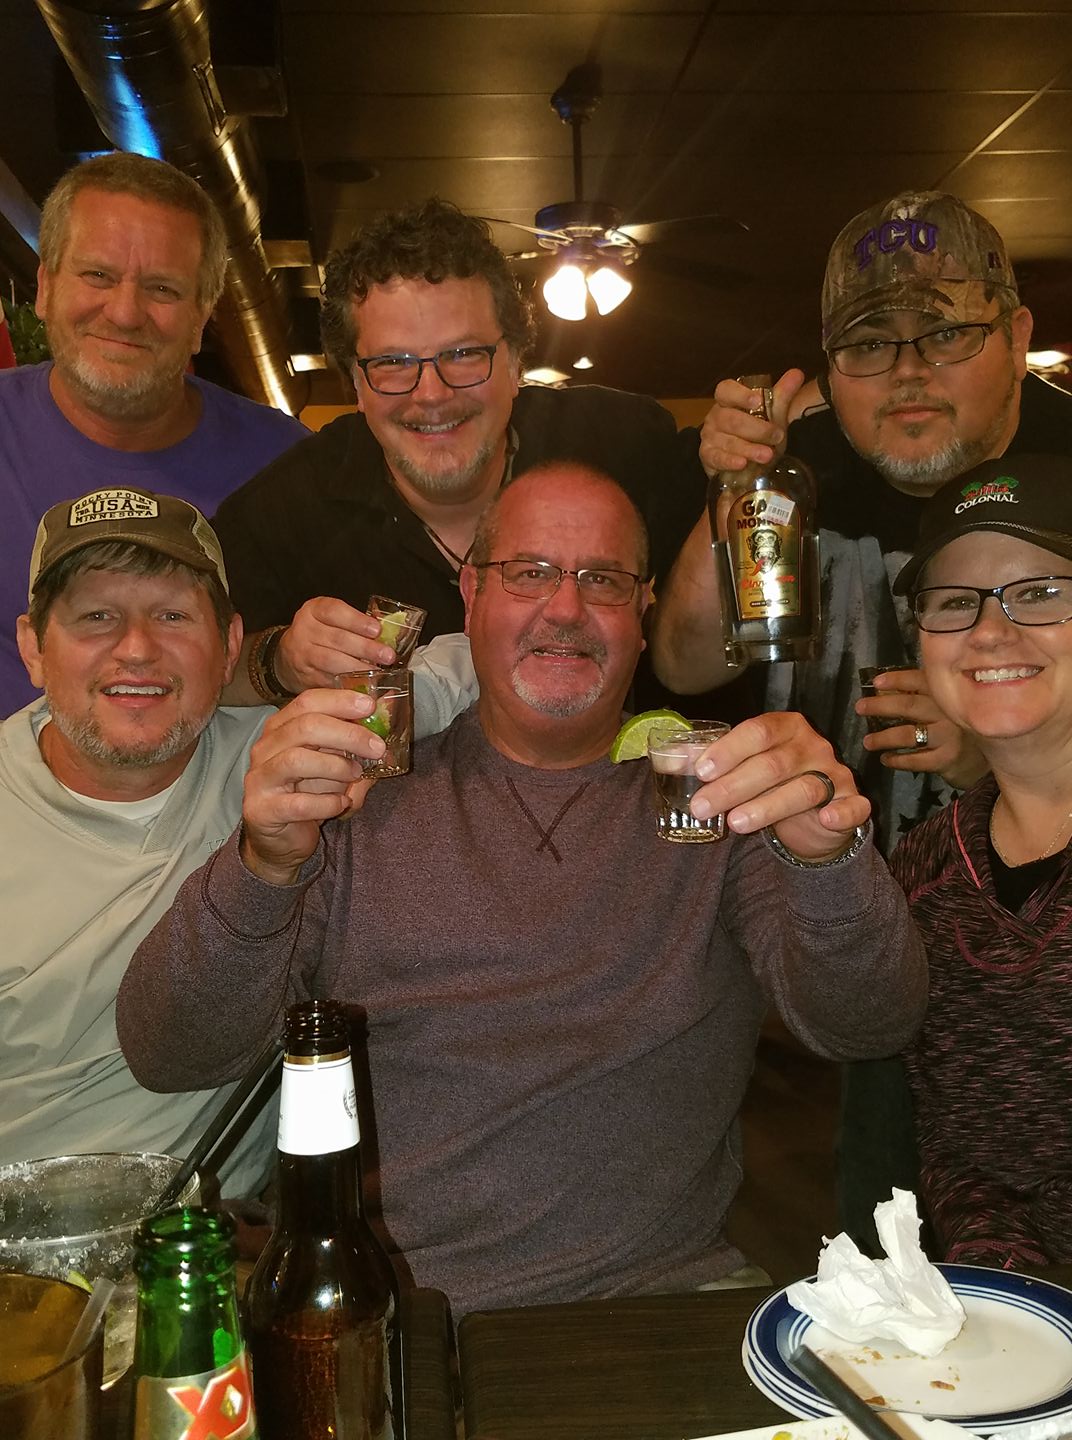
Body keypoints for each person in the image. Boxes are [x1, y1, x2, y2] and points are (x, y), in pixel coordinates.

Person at [117, 461, 927, 1317]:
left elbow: (868, 1023)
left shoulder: (717, 791)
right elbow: (173, 1053)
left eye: (603, 579)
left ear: (644, 612)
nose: (566, 608)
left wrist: (828, 860)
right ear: (470, 595)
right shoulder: (352, 793)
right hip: (386, 1310)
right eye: (529, 573)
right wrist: (262, 864)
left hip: (660, 1300)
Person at [648, 190, 1072, 1245]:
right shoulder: (798, 467)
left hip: (1030, 931)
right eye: (870, 345)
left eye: (947, 333)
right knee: (878, 1250)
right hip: (838, 936)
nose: (908, 372)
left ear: (1017, 334)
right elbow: (687, 663)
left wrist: (1006, 756)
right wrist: (732, 490)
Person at [0, 485, 476, 1195]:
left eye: (172, 616)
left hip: (219, 1233)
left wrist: (363, 689)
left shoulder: (282, 760)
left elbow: (477, 660)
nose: (137, 649)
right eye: (96, 617)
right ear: (33, 649)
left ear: (228, 647)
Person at [211, 197, 707, 707]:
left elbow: (705, 641)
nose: (432, 394)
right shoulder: (280, 512)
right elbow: (197, 671)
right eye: (393, 363)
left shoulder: (624, 443)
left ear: (515, 363)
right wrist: (277, 661)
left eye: (464, 354)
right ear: (357, 385)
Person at [0, 152, 307, 718]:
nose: (124, 313)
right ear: (44, 286)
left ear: (202, 315)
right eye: (98, 275)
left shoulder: (290, 466)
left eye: (162, 288)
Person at [889, 453, 1072, 1267]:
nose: (991, 631)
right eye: (957, 602)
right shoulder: (926, 871)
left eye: (1041, 592)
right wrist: (1013, 1290)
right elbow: (963, 1146)